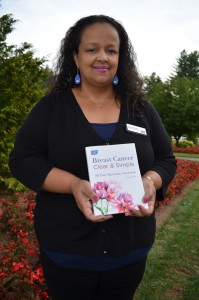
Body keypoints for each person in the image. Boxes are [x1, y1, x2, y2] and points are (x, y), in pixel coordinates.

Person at [9, 14, 177, 300]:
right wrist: (74, 184)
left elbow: (166, 159)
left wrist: (150, 180)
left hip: (130, 251)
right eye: (92, 49)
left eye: (111, 50)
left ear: (120, 58)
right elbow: (22, 159)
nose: (103, 57)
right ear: (75, 56)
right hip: (67, 253)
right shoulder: (52, 107)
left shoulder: (141, 108)